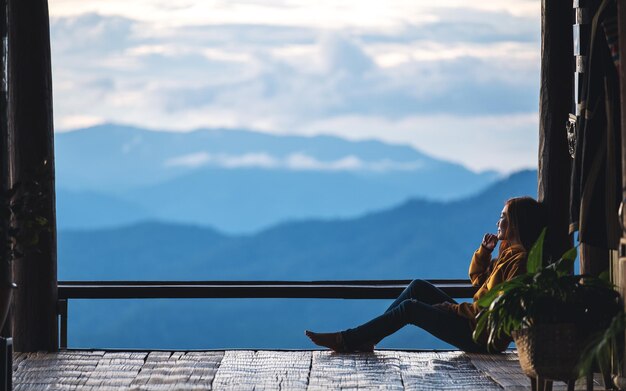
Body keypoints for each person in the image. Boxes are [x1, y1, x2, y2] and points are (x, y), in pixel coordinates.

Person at [305, 196, 546, 353]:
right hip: (474, 323)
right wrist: (484, 253)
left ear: (514, 223)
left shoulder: (520, 261)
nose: (498, 221)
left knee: (411, 308)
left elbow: (495, 309)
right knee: (418, 286)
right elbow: (479, 282)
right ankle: (366, 339)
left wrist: (451, 309)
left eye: (503, 217)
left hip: (483, 337)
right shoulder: (507, 256)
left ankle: (346, 340)